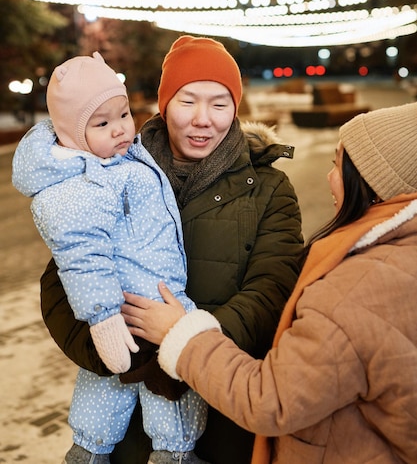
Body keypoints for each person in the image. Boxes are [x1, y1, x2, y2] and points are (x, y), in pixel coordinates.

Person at [36, 35, 305, 464]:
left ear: (236, 108)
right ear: (164, 104)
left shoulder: (269, 190)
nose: (203, 120)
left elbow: (271, 292)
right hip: (125, 424)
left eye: (219, 104)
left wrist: (187, 341)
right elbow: (63, 278)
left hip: (221, 408)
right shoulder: (106, 173)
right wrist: (112, 354)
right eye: (187, 102)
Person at [125, 101, 417, 464]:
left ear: (374, 182)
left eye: (338, 164)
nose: (329, 178)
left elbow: (272, 397)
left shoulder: (356, 288)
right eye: (187, 100)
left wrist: (180, 335)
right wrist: (112, 353)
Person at [12, 51, 209, 464]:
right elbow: (81, 254)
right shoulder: (82, 181)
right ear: (70, 135)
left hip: (153, 300)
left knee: (121, 385)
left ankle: (104, 449)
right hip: (133, 309)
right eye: (102, 124)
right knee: (162, 381)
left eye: (123, 114)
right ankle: (159, 453)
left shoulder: (113, 160)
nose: (120, 130)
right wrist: (102, 316)